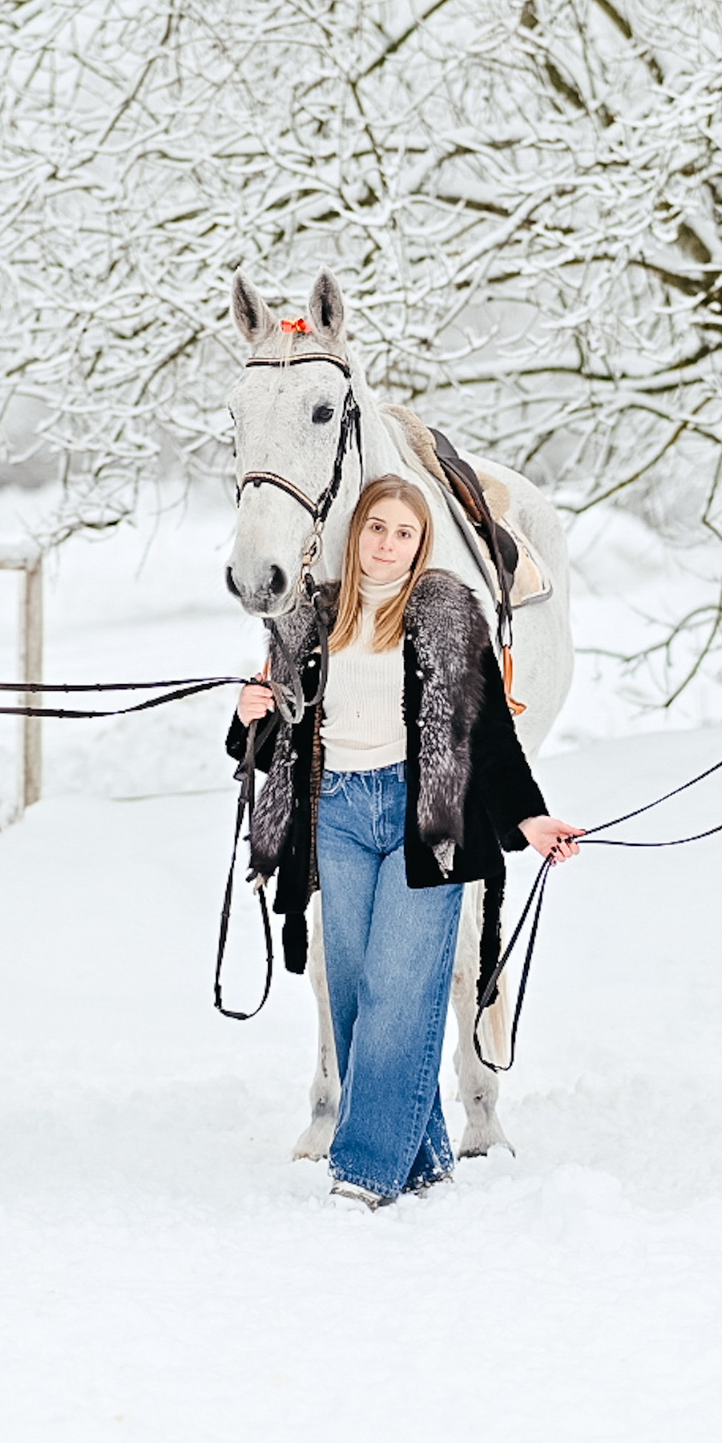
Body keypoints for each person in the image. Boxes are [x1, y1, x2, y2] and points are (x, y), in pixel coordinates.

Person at [231, 474, 582, 1208]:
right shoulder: (310, 621)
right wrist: (249, 712)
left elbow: (491, 736)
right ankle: (421, 1159)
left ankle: (363, 1170)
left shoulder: (448, 617)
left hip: (425, 822)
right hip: (337, 817)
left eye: (404, 533)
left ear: (421, 546)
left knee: (399, 991)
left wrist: (529, 818)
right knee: (355, 993)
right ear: (356, 532)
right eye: (377, 528)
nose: (387, 544)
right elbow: (274, 746)